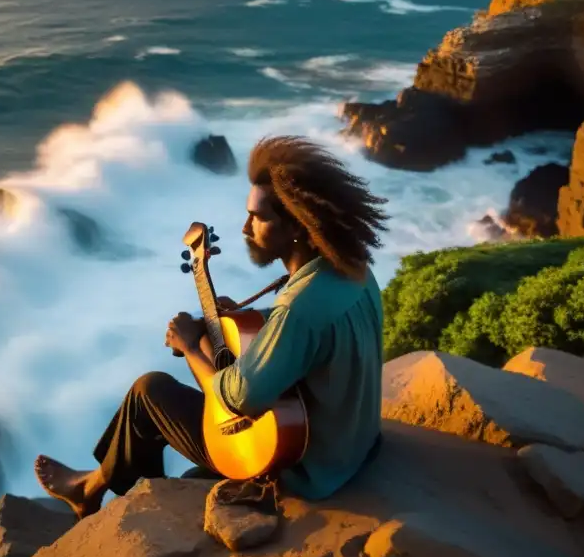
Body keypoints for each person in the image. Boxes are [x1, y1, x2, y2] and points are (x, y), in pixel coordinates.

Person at [35, 135, 389, 519]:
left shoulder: (297, 310)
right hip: (352, 446)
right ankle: (129, 487)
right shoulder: (353, 271)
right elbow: (316, 333)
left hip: (306, 466)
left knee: (149, 392)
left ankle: (95, 490)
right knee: (193, 465)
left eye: (259, 217)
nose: (244, 227)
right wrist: (255, 321)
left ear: (299, 227)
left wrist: (189, 346)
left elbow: (239, 398)